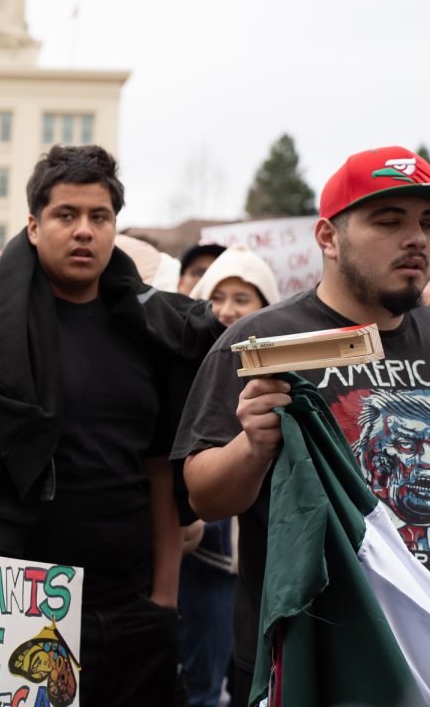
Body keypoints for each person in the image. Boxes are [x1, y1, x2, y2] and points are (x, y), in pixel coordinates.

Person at [0, 145, 222, 705]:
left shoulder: (148, 328)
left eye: (99, 217)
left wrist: (164, 599)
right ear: (33, 226)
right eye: (65, 215)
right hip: (18, 603)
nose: (84, 231)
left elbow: (159, 469)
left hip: (131, 606)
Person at [173, 146, 430, 706]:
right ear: (328, 237)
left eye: (426, 223)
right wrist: (250, 448)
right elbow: (201, 498)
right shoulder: (260, 343)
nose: (416, 239)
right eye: (389, 221)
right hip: (309, 662)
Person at [177, 245, 279, 707]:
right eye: (216, 296)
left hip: (240, 557)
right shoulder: (175, 357)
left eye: (243, 298)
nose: (227, 310)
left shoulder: (278, 376)